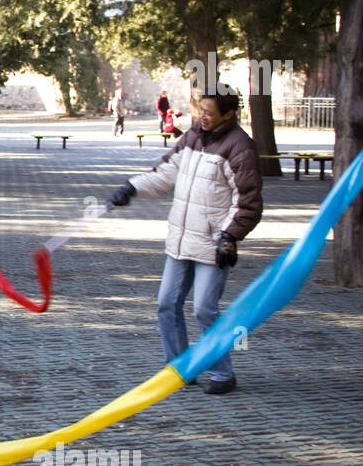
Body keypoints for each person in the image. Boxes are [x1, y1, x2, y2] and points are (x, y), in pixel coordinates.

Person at [109, 86, 262, 395]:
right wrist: (132, 187)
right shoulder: (192, 136)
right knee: (166, 303)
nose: (201, 117)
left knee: (204, 310)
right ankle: (179, 370)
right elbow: (166, 173)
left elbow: (248, 203)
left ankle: (222, 373)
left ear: (229, 114)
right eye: (199, 110)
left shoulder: (240, 147)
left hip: (214, 245)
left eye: (208, 112)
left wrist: (230, 237)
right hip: (181, 239)